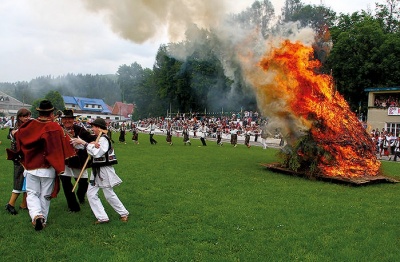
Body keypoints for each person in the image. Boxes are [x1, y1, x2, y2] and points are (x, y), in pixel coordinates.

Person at [11, 100, 76, 231]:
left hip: (31, 167)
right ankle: (43, 219)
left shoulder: (29, 125)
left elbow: (16, 134)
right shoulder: (55, 127)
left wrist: (15, 133)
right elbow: (68, 143)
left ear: (39, 112)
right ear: (51, 113)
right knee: (45, 195)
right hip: (48, 168)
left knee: (32, 193)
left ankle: (36, 216)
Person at [71, 118, 129, 224]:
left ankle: (123, 213)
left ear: (98, 127)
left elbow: (97, 153)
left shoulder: (104, 139)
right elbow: (90, 148)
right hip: (96, 170)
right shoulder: (99, 138)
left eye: (93, 127)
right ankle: (102, 217)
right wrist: (78, 143)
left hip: (104, 170)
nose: (92, 129)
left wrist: (84, 143)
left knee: (109, 194)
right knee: (91, 194)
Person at [60, 109, 96, 212]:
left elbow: (90, 139)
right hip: (64, 162)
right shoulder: (58, 130)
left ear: (73, 119)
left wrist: (98, 136)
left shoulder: (80, 130)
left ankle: (80, 196)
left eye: (69, 119)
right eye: (65, 119)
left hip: (78, 162)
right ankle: (73, 206)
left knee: (83, 184)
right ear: (62, 120)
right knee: (66, 184)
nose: (67, 121)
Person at [5, 108, 31, 215]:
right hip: (19, 159)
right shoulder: (16, 129)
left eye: (28, 116)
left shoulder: (26, 127)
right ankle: (10, 204)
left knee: (28, 182)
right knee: (19, 181)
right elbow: (14, 136)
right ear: (19, 117)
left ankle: (24, 204)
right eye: (25, 116)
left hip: (27, 158)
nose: (27, 118)